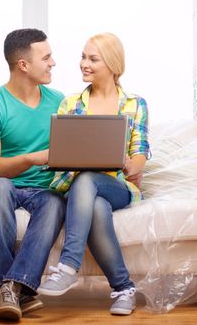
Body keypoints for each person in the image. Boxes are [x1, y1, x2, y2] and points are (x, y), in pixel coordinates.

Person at [37, 33, 150, 316]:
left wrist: (127, 163)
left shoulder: (135, 104)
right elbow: (62, 153)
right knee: (95, 202)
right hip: (81, 189)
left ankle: (68, 265)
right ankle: (124, 289)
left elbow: (139, 157)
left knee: (88, 178)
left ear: (112, 64)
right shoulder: (71, 104)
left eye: (92, 59)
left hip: (118, 186)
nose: (83, 64)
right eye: (83, 57)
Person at [0, 28, 66, 321]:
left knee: (54, 202)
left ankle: (10, 288)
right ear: (23, 65)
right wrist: (30, 159)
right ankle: (12, 287)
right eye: (46, 57)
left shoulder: (59, 102)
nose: (53, 63)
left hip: (43, 190)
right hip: (2, 186)